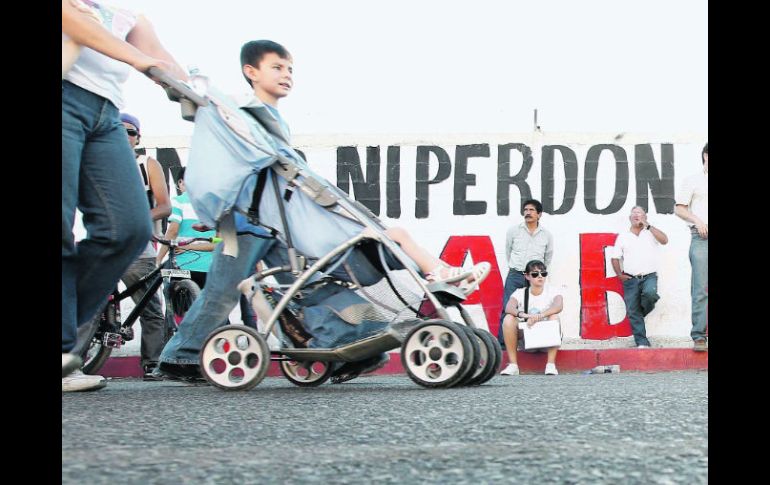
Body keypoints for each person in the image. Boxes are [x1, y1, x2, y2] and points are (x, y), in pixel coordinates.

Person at [62, 0, 185, 390]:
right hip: (65, 95)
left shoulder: (128, 9)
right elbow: (79, 26)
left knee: (128, 229)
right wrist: (144, 64)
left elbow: (159, 54)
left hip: (105, 112)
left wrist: (199, 92)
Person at [119, 113, 171, 380]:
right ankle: (77, 363)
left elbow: (164, 206)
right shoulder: (93, 163)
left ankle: (152, 363)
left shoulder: (147, 164)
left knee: (150, 308)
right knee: (88, 305)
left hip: (138, 247)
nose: (124, 134)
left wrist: (138, 219)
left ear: (138, 137)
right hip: (103, 245)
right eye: (118, 128)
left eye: (130, 130)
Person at [497, 199, 554, 346]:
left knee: (534, 309)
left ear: (539, 214)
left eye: (531, 210)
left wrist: (536, 274)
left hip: (534, 278)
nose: (527, 213)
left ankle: (531, 342)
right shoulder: (514, 231)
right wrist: (518, 268)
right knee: (508, 309)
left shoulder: (546, 235)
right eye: (526, 210)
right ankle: (504, 345)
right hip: (515, 274)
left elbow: (547, 257)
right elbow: (508, 251)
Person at [610, 206, 669, 348]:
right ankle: (642, 342)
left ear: (645, 217)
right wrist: (619, 275)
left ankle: (637, 315)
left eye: (640, 213)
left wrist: (648, 226)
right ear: (630, 218)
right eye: (634, 213)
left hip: (649, 276)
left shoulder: (650, 233)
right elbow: (615, 257)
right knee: (633, 310)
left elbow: (664, 240)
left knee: (650, 295)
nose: (637, 215)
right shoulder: (623, 236)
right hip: (630, 279)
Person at [499, 260, 563, 375]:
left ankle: (551, 365)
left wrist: (540, 316)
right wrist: (526, 316)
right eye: (535, 274)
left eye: (543, 274)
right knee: (508, 319)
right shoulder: (520, 292)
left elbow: (558, 305)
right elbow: (509, 307)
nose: (540, 277)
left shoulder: (552, 291)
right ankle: (513, 365)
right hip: (527, 339)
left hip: (548, 340)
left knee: (554, 317)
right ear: (527, 276)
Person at [675, 143, 708, 352]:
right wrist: (697, 220)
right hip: (702, 237)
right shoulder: (693, 181)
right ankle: (699, 336)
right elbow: (679, 208)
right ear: (706, 156)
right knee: (701, 288)